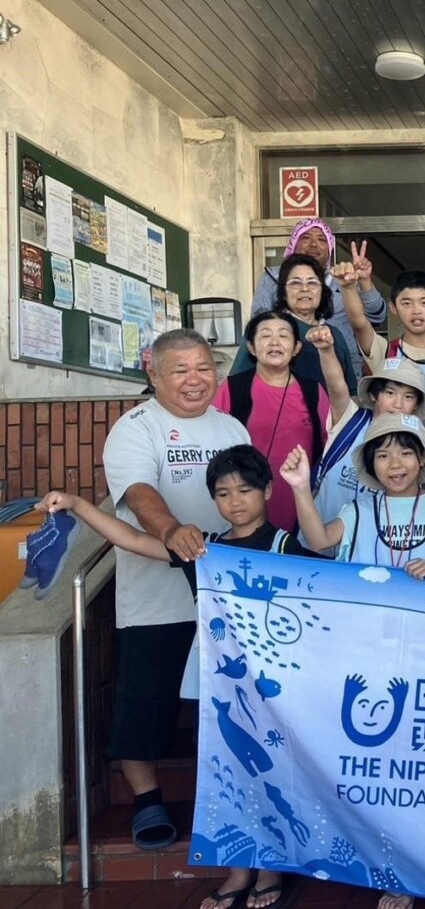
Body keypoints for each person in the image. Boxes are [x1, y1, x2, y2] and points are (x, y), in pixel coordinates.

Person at [48, 444, 322, 909]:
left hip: (273, 685)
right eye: (223, 492)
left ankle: (271, 868)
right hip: (216, 683)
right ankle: (239, 871)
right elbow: (133, 540)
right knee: (222, 773)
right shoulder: (202, 549)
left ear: (268, 491)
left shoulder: (286, 546)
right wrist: (77, 505)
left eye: (246, 489)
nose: (235, 500)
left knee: (272, 773)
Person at [100, 330, 250, 852]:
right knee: (146, 701)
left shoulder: (230, 426)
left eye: (203, 368)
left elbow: (250, 494)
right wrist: (169, 530)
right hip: (155, 598)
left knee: (227, 702)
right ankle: (147, 801)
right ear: (155, 375)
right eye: (180, 370)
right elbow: (139, 494)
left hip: (222, 597)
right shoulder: (135, 428)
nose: (194, 380)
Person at [282, 413, 425, 580]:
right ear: (372, 464)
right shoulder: (360, 510)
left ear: (422, 458)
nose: (395, 464)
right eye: (383, 456)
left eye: (405, 453)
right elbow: (319, 541)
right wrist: (300, 487)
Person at [216, 311, 349, 528]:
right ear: (251, 347)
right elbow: (213, 442)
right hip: (242, 503)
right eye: (265, 335)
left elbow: (330, 447)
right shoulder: (232, 388)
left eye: (284, 335)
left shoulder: (313, 391)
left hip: (300, 501)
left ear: (296, 347)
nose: (275, 342)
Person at [312, 359, 425, 546]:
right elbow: (336, 387)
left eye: (408, 397)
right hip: (317, 542)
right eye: (390, 393)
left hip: (370, 549)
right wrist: (326, 351)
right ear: (374, 394)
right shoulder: (351, 420)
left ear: (416, 404)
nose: (398, 404)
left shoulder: (415, 439)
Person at [241, 253, 363, 389]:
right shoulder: (264, 330)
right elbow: (237, 384)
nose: (304, 289)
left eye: (312, 282)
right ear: (283, 293)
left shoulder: (335, 335)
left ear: (322, 291)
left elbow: (350, 391)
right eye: (295, 283)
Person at [252, 219, 385, 342]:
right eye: (306, 238)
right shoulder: (272, 277)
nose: (314, 244)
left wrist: (364, 280)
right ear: (293, 243)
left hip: (342, 360)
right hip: (289, 361)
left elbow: (377, 317)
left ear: (329, 250)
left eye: (322, 239)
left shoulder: (343, 276)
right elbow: (258, 325)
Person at [354, 271, 425, 408]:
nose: (416, 310)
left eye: (424, 302)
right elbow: (359, 323)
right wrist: (349, 286)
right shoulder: (386, 351)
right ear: (394, 308)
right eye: (407, 304)